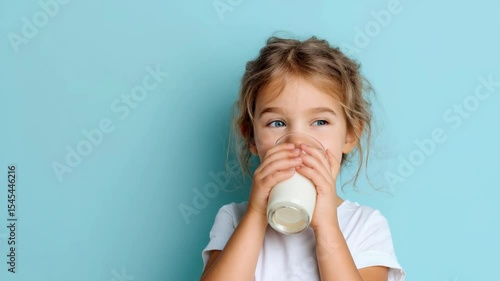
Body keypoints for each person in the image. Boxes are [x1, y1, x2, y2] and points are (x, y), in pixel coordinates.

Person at [200, 35, 405, 281]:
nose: (297, 141)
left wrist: (327, 226)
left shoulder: (364, 225)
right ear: (251, 138)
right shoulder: (234, 219)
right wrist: (255, 214)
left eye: (320, 122)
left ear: (350, 135)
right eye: (277, 123)